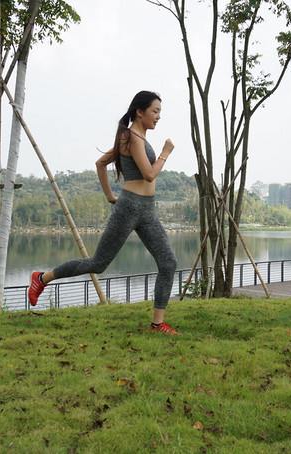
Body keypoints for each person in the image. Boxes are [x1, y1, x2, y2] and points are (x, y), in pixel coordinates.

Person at [28, 91, 180, 335]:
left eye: (160, 112)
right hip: (129, 207)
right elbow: (149, 174)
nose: (158, 117)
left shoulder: (136, 137)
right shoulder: (131, 137)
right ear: (140, 111)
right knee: (98, 264)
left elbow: (101, 163)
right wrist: (165, 153)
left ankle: (156, 324)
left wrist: (110, 195)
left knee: (168, 262)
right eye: (155, 111)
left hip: (147, 210)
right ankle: (41, 278)